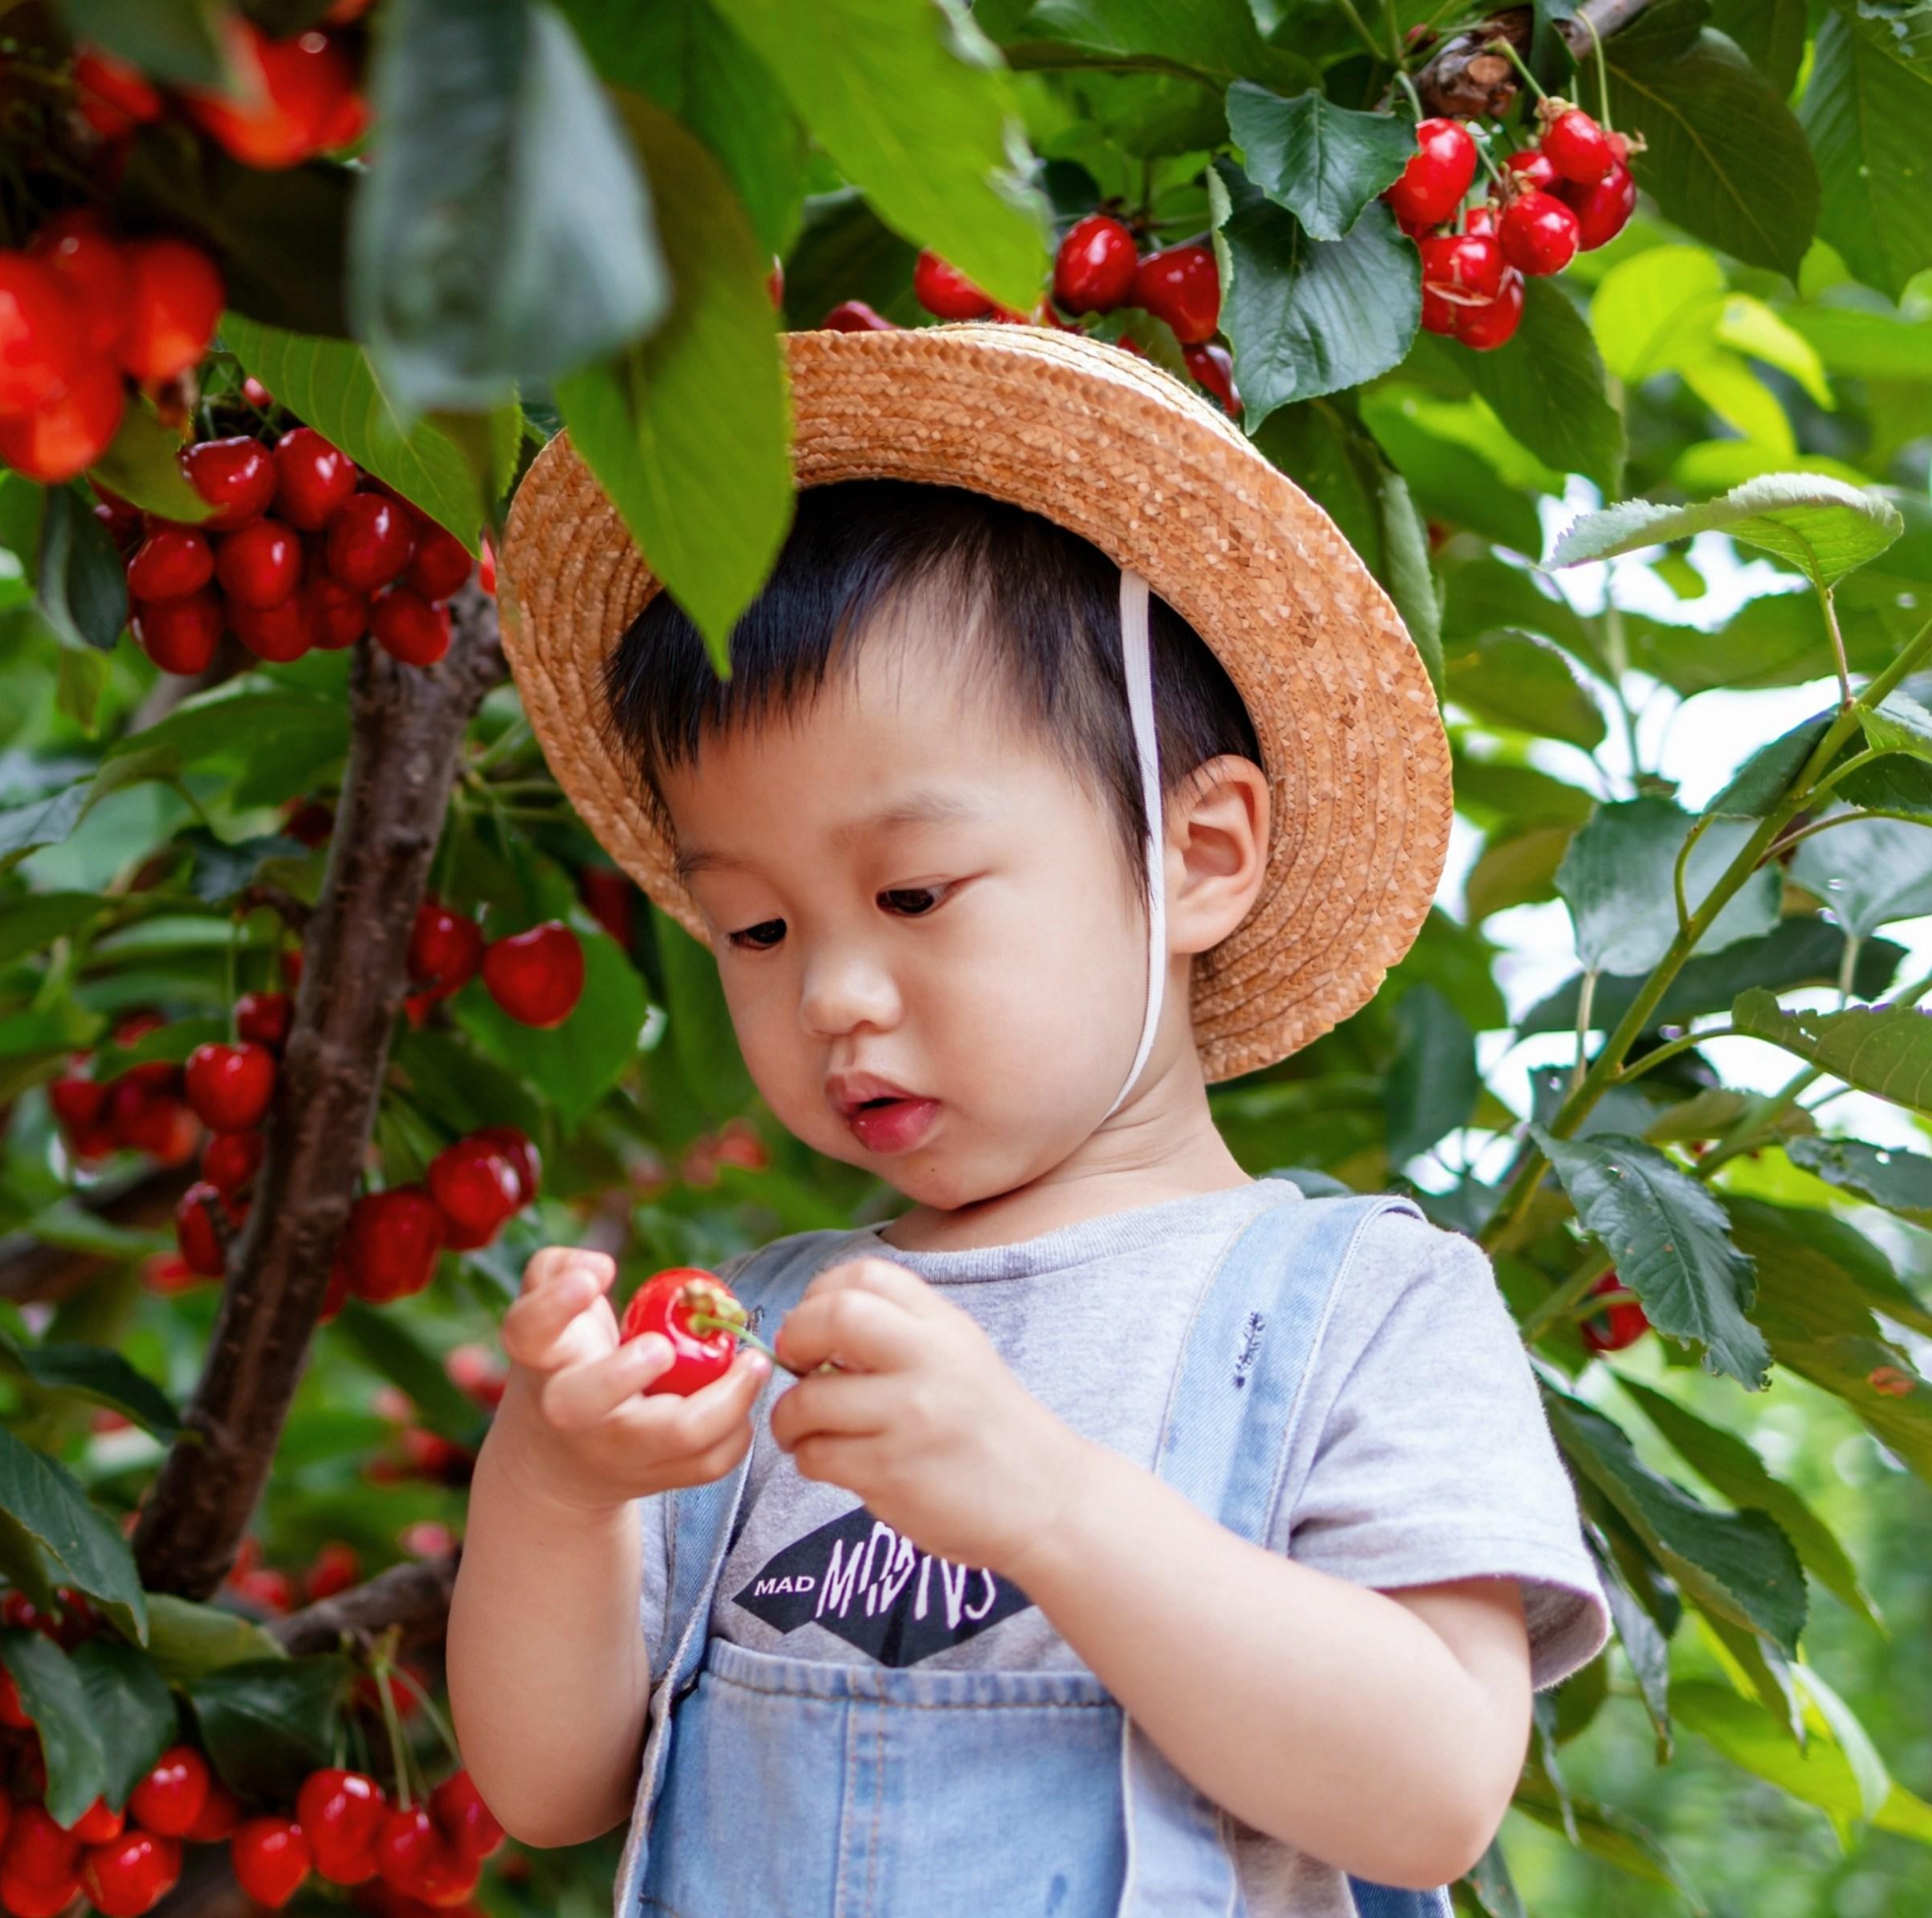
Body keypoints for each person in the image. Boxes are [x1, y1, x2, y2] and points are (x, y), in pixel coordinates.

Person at [447, 324, 1608, 1917]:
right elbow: (548, 1782)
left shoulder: (1363, 1310)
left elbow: (1432, 1794)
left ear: (1201, 854)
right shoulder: (766, 1338)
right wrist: (557, 1487)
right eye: (757, 931)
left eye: (914, 891)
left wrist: (1051, 1506)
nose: (834, 994)